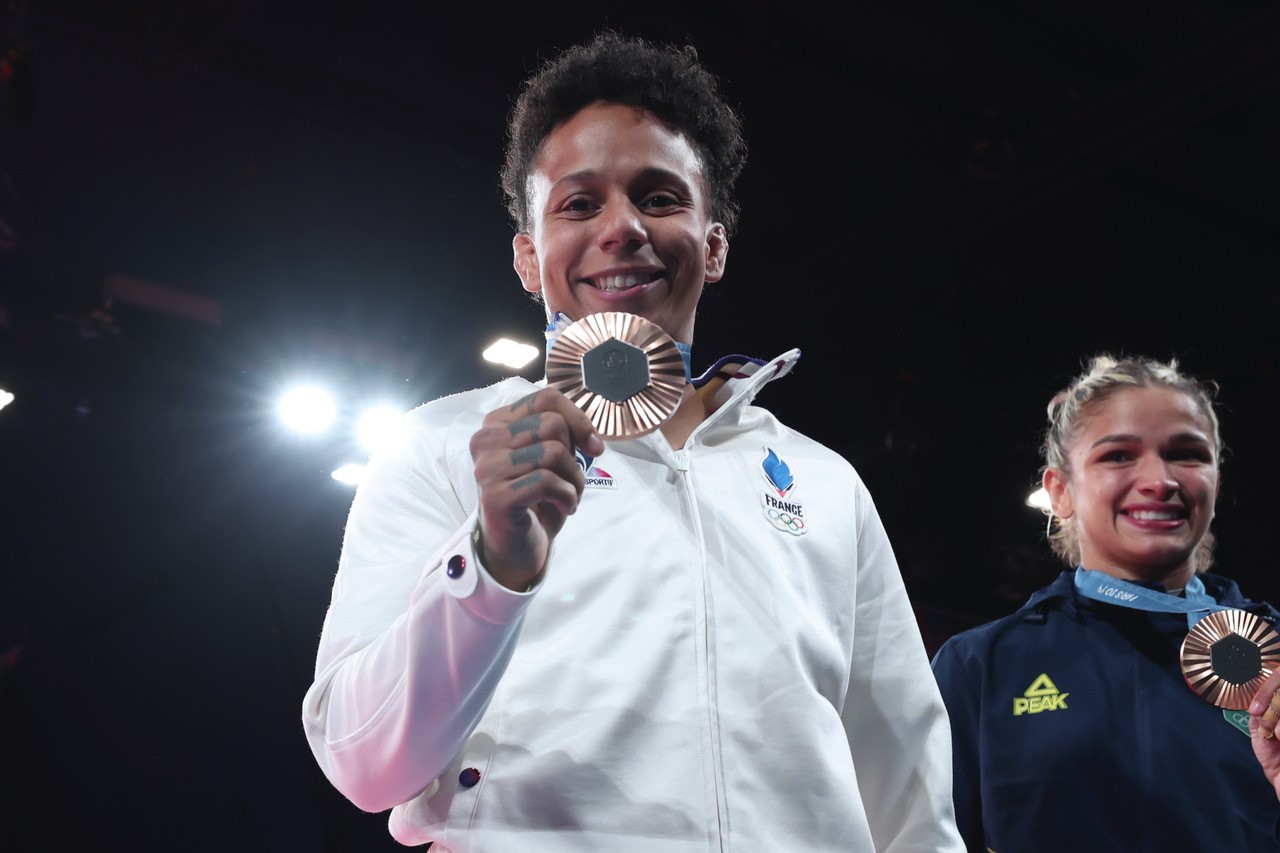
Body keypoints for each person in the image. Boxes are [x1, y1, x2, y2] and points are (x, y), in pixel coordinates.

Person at [300, 31, 963, 852]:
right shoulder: (440, 443)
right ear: (527, 256)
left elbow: (908, 788)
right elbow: (364, 762)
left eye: (658, 197)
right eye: (579, 204)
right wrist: (491, 564)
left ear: (713, 243)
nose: (622, 228)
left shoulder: (826, 483)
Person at [931, 354, 1280, 851]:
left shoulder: (1276, 654)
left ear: (1215, 484)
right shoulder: (981, 666)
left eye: (1187, 453)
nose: (1160, 480)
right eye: (1118, 455)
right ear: (1061, 492)